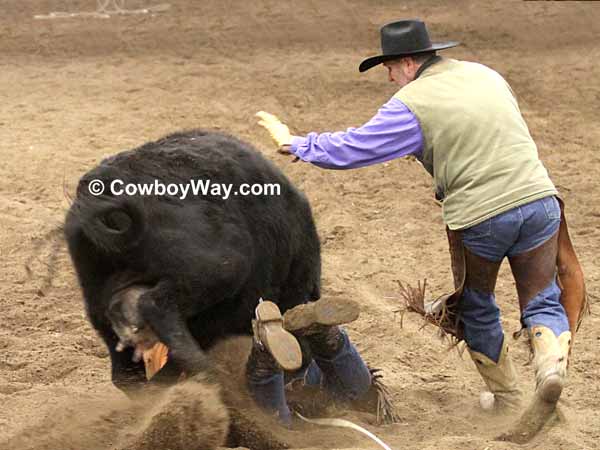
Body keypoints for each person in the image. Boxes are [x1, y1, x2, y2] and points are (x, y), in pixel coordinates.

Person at [256, 20, 587, 414]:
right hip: (540, 201)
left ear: (408, 63)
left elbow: (357, 147)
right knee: (541, 296)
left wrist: (300, 144)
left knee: (477, 306)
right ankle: (550, 364)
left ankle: (508, 400)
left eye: (390, 69)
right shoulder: (485, 74)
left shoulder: (411, 104)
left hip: (482, 216)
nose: (392, 78)